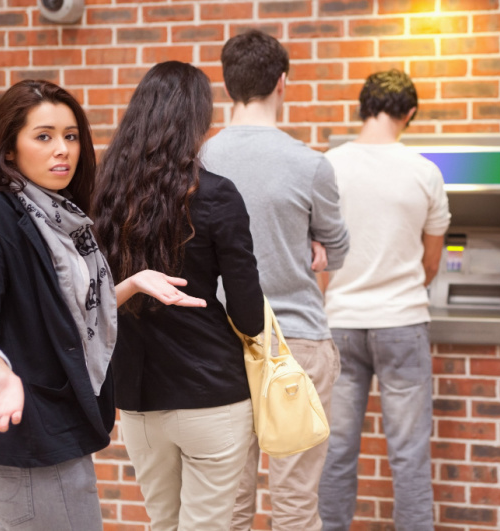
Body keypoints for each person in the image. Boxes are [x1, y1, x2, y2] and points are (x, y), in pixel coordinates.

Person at [0, 79, 205, 531]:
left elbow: (64, 309)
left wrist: (130, 284)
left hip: (60, 429)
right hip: (28, 437)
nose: (62, 150)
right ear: (9, 150)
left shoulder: (65, 218)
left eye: (70, 136)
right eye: (44, 136)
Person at [92, 61, 264, 531]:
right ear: (198, 119)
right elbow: (249, 310)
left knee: (163, 524)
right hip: (211, 393)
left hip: (139, 399)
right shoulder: (215, 194)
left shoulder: (102, 197)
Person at [201, 29, 350, 531]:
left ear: (226, 87)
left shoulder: (200, 162)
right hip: (299, 345)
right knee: (295, 505)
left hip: (221, 346)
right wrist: (314, 248)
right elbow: (339, 251)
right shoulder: (311, 165)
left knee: (230, 506)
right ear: (282, 82)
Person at [317, 70, 451, 531]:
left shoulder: (328, 167)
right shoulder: (425, 172)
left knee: (335, 451)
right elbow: (431, 261)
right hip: (403, 323)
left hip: (341, 324)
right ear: (409, 114)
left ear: (363, 105)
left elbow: (315, 259)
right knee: (409, 453)